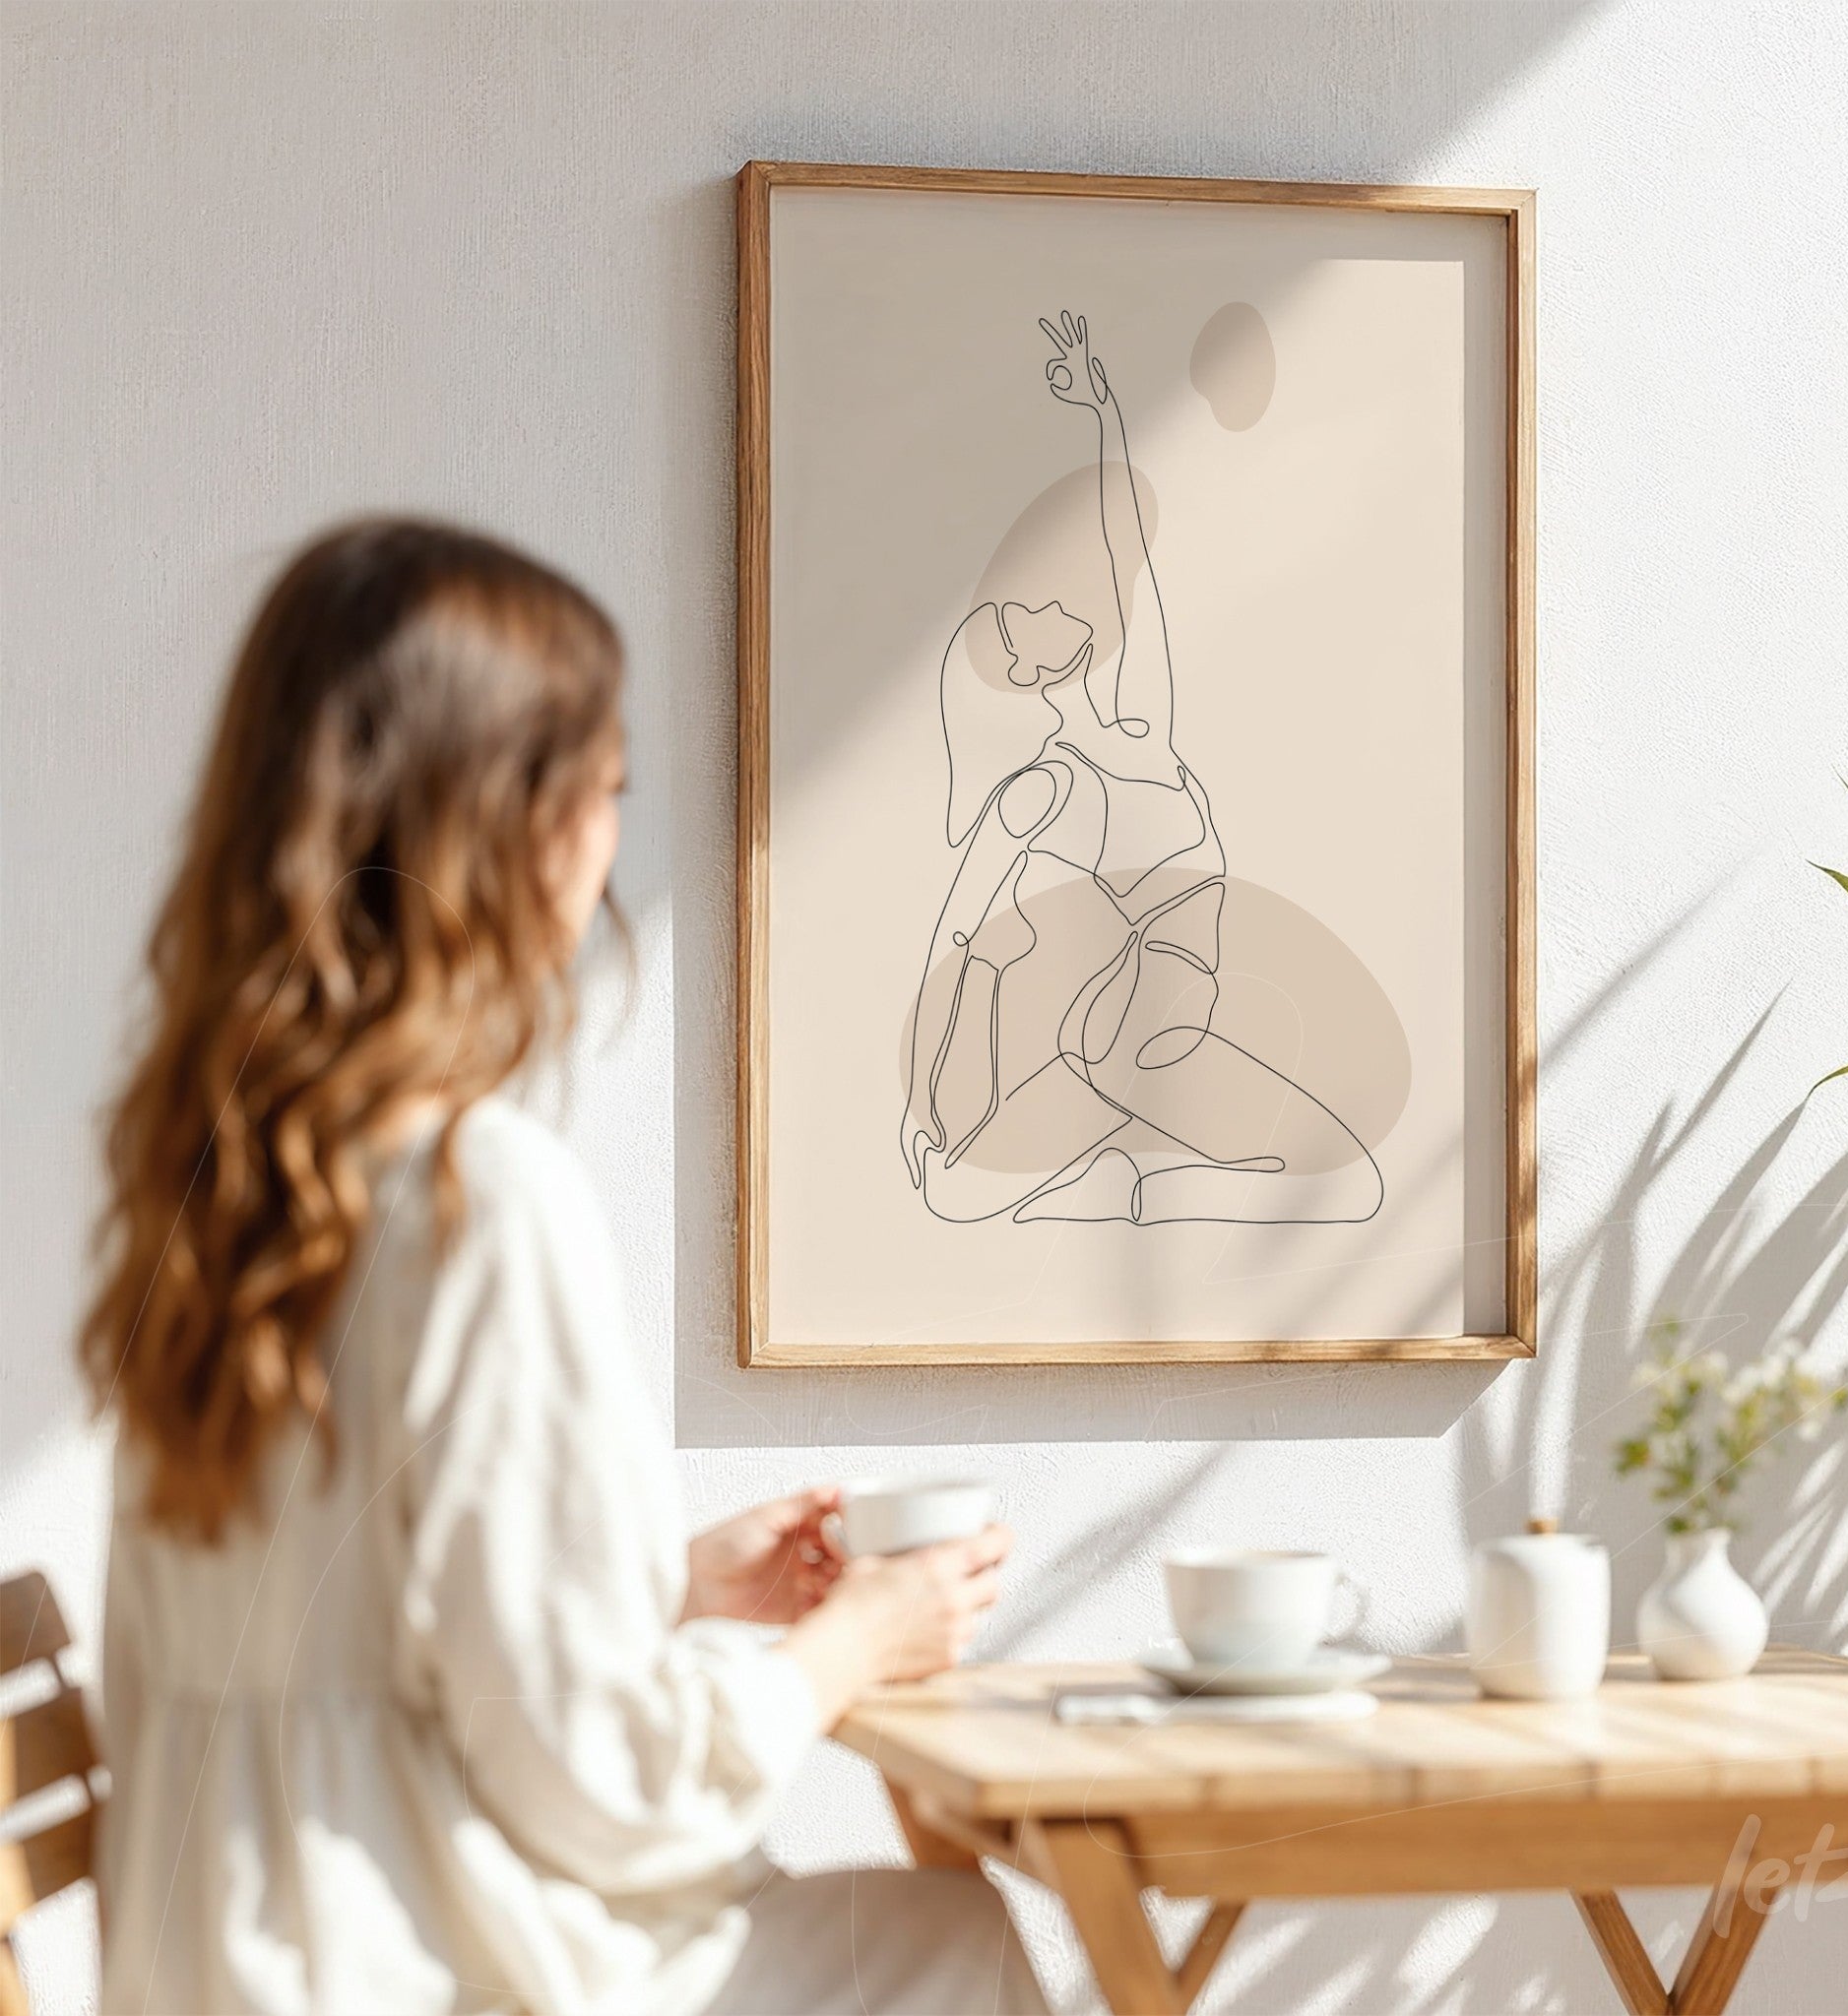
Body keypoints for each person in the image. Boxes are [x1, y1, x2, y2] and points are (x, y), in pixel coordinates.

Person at [81, 520, 1045, 2015]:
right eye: (603, 791)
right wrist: (849, 1645)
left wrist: (667, 1584)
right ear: (506, 826)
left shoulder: (212, 1191)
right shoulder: (476, 1201)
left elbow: (353, 1638)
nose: (608, 842)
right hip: (422, 1968)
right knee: (949, 1946)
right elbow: (605, 1780)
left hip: (223, 1962)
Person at [901, 309, 1384, 1229]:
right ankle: (1080, 1180)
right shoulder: (1054, 781)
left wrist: (1107, 416)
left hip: (1146, 1017)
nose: (1047, 607)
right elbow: (957, 931)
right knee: (1343, 1182)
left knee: (1342, 1180)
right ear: (1026, 672)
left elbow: (1129, 551)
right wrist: (925, 1087)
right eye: (1017, 625)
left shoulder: (1135, 724)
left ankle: (1098, 1182)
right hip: (1134, 1022)